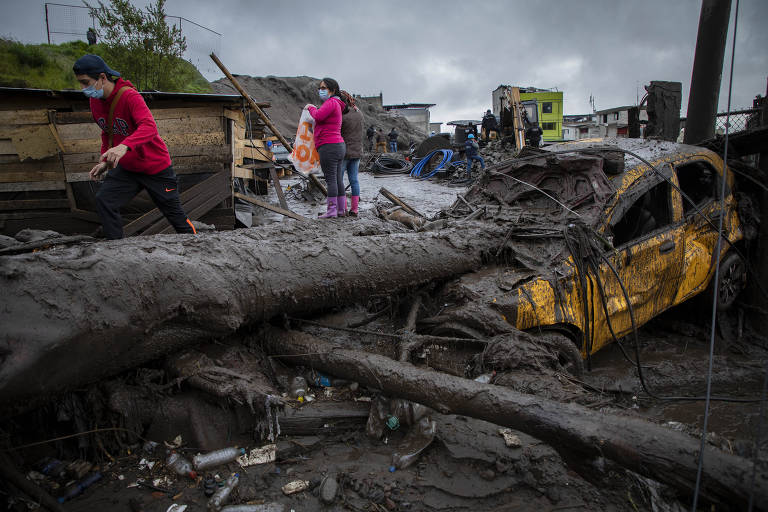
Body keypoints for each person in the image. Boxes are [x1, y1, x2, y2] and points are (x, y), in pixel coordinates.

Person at [72, 54, 195, 239]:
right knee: (105, 200)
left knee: (175, 215)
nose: (83, 88)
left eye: (86, 82)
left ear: (102, 78)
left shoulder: (129, 96)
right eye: (80, 83)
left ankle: (197, 245)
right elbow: (107, 130)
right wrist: (106, 160)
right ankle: (117, 248)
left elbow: (149, 127)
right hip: (128, 169)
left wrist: (124, 147)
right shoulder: (95, 102)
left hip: (156, 168)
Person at [306, 77, 347, 218]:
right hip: (338, 145)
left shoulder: (331, 102)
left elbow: (318, 115)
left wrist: (310, 107)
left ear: (332, 90)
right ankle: (341, 209)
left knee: (330, 180)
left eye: (323, 88)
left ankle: (331, 211)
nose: (320, 91)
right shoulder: (337, 104)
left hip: (329, 145)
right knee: (337, 179)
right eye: (319, 88)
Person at [340, 91, 363, 217]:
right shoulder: (358, 112)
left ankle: (343, 209)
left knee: (339, 180)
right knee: (354, 180)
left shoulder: (342, 115)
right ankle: (354, 209)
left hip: (344, 152)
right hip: (357, 151)